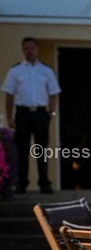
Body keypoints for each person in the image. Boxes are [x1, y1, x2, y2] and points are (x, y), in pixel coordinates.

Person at [2, 37, 60, 194]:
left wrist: (51, 112)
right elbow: (9, 96)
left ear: (37, 49)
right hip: (22, 113)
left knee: (41, 150)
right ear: (23, 50)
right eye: (26, 48)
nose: (30, 51)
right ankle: (22, 184)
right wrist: (9, 117)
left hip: (41, 114)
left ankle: (44, 183)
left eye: (32, 48)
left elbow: (54, 93)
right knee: (22, 150)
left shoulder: (46, 71)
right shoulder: (15, 71)